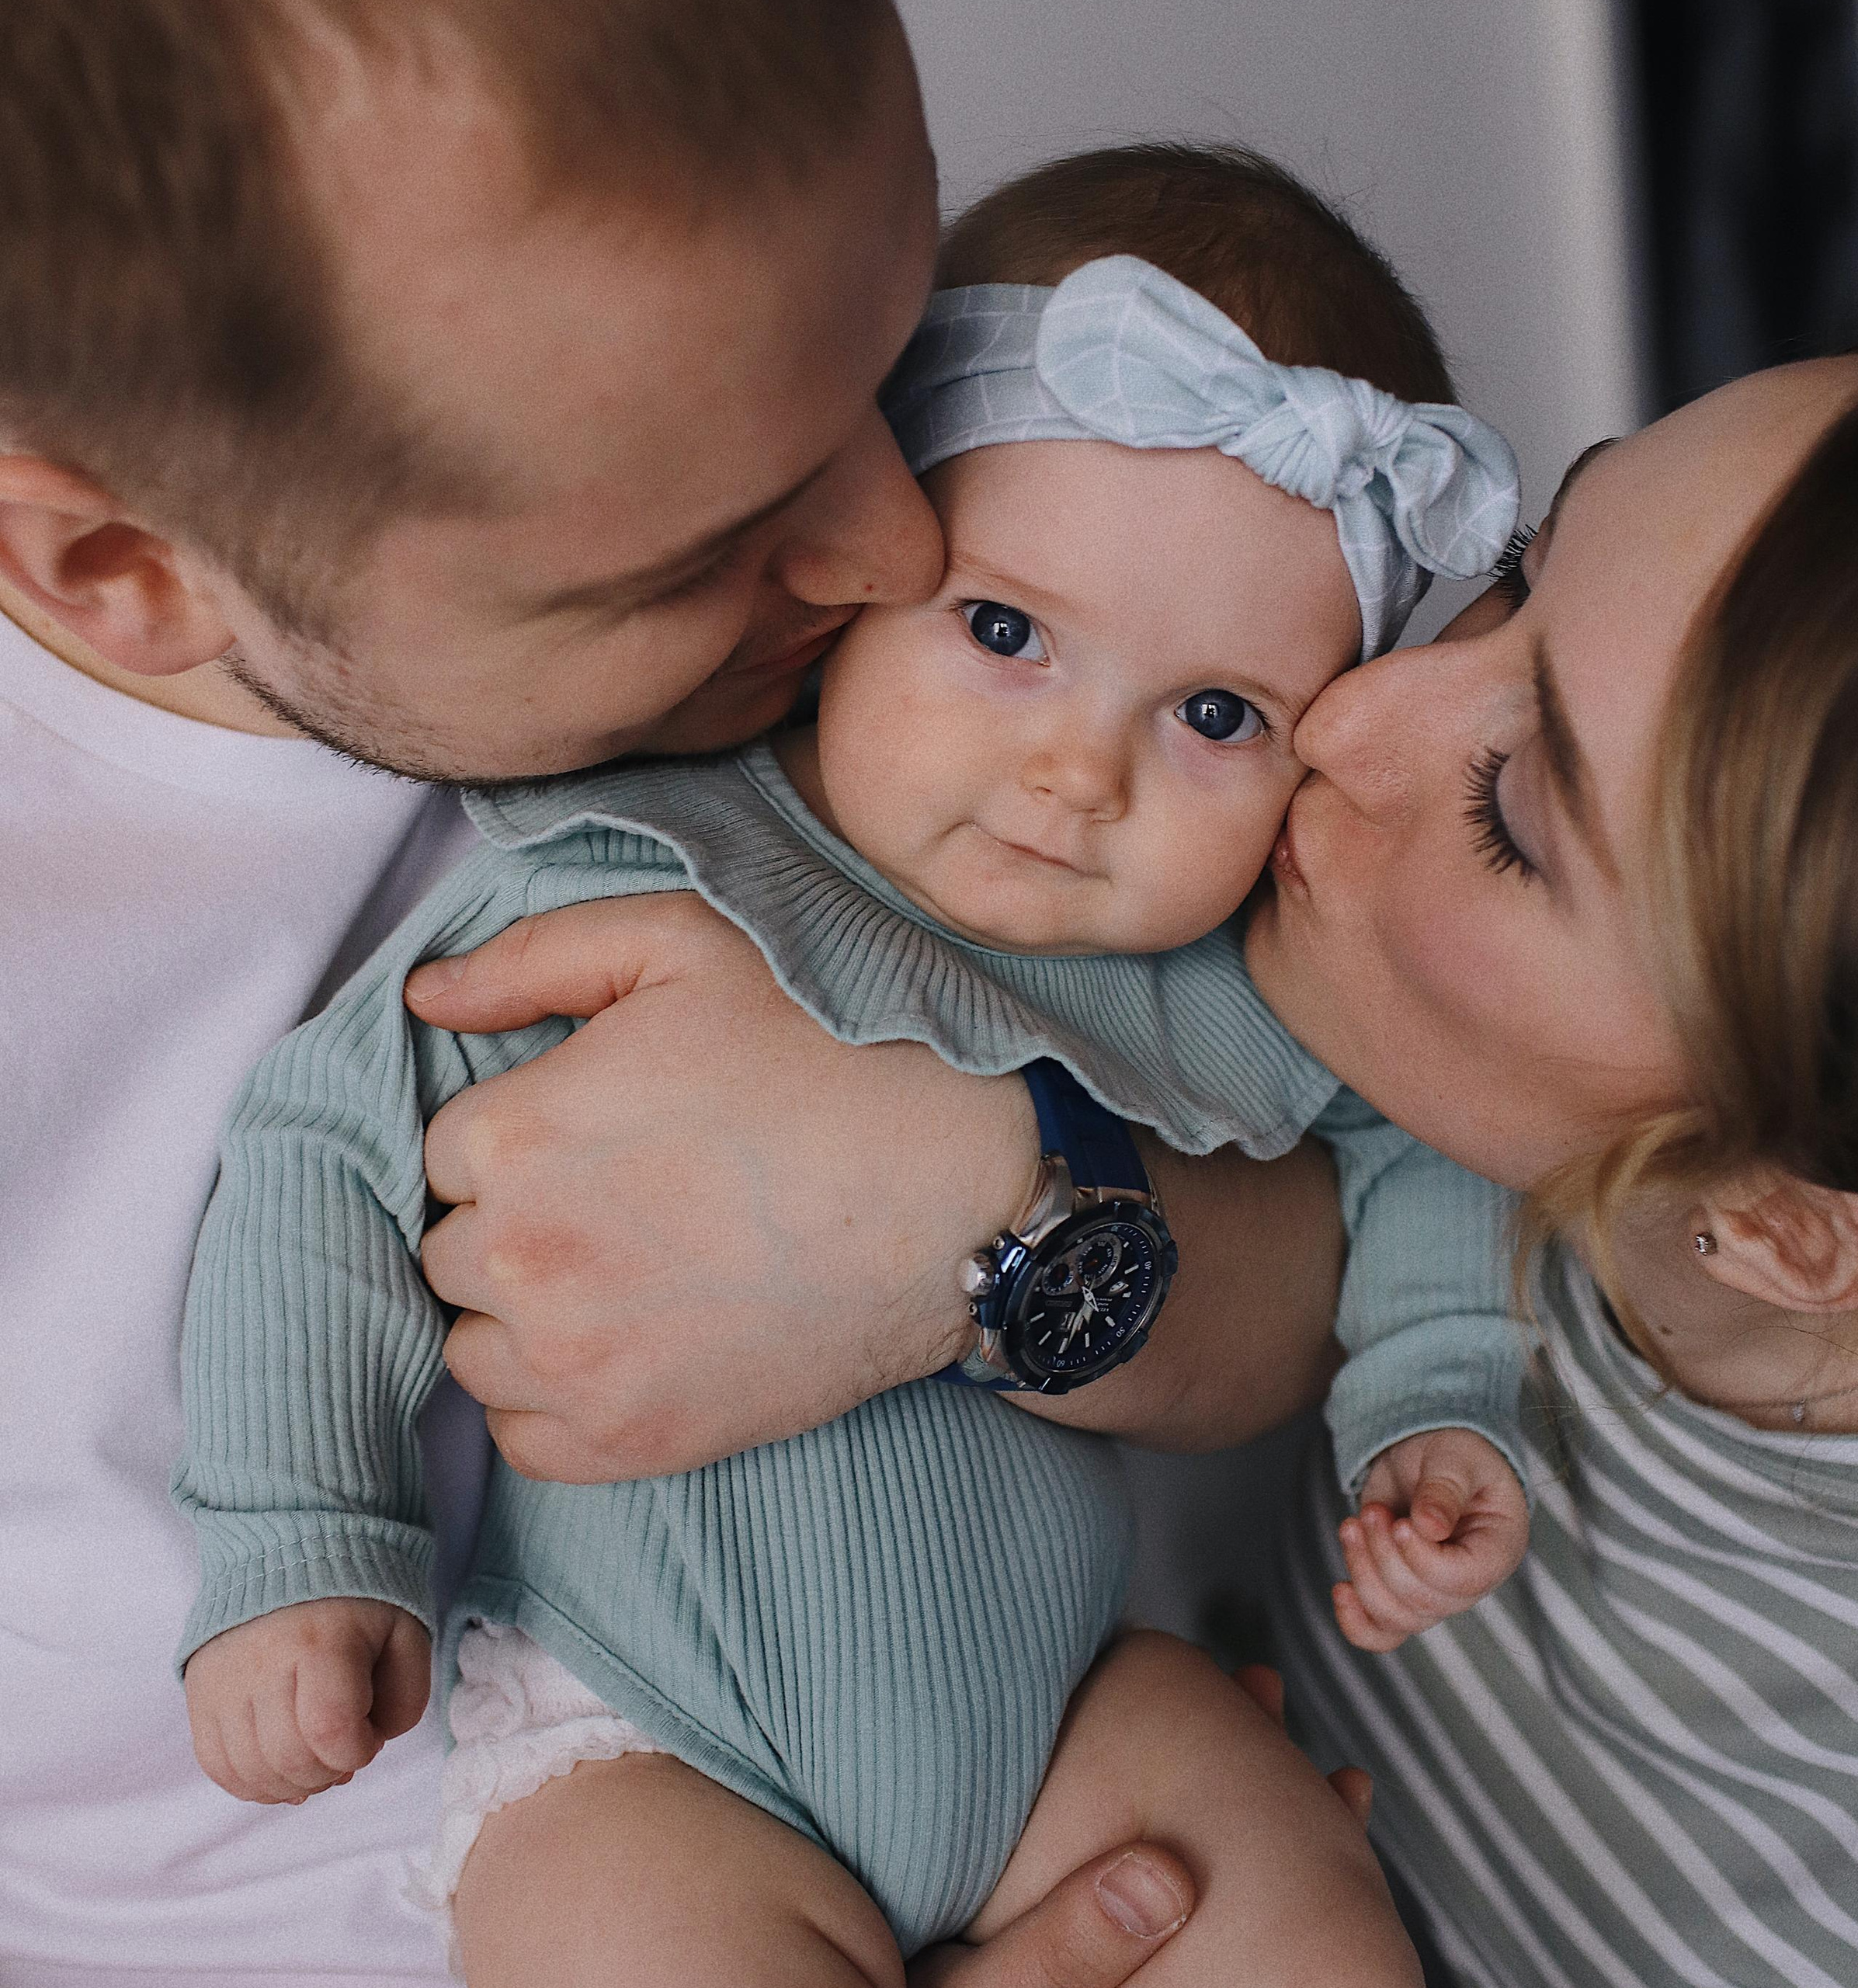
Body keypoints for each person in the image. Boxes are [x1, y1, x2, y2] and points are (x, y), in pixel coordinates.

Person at [0, 4, 1351, 1978]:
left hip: (1007, 1733)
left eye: (888, 366)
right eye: (709, 541)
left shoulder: (956, 677)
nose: (901, 546)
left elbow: (1328, 1253)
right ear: (126, 562)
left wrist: (971, 1208)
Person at [1242, 318, 1858, 1984]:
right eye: (1515, 571)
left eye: (1510, 809)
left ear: (1791, 1229)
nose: (1342, 715)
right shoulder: (1470, 1099)